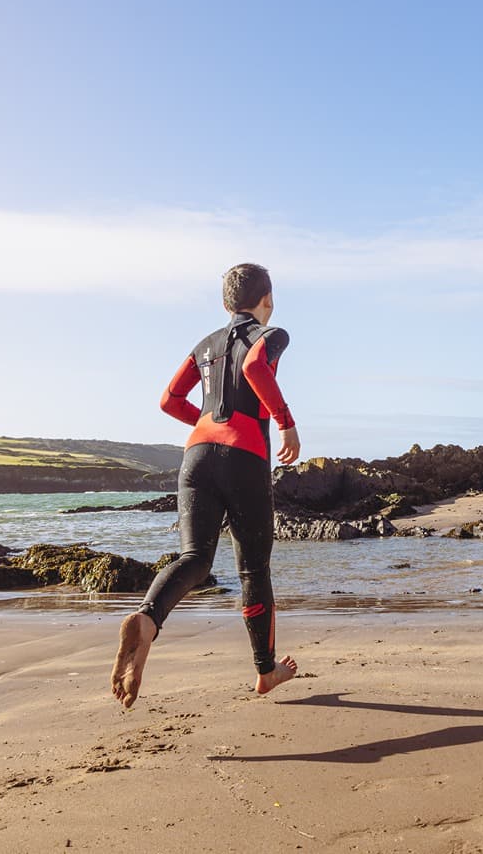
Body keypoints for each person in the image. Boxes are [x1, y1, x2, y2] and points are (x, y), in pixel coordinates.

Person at [110, 262, 302, 709]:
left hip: (196, 457)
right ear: (267, 299)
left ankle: (146, 619)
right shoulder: (271, 335)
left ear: (224, 303)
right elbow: (255, 367)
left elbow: (169, 400)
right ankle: (265, 671)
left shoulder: (205, 344)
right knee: (253, 568)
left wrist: (202, 420)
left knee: (194, 558)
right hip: (244, 456)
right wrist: (286, 423)